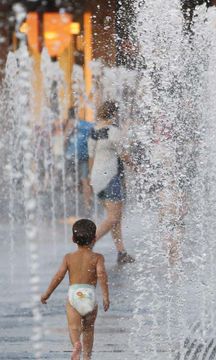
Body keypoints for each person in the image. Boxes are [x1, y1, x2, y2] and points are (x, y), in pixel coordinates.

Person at [40, 219, 110, 360]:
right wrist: (105, 296)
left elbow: (58, 277)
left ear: (73, 239)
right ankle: (87, 357)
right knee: (89, 328)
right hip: (90, 295)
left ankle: (76, 345)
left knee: (74, 327)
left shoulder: (68, 257)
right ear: (94, 239)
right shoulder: (97, 258)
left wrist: (46, 294)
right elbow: (102, 275)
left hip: (74, 296)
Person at [88, 101, 135, 264]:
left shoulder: (94, 131)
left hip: (97, 178)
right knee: (113, 217)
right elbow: (124, 155)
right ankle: (89, 244)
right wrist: (136, 167)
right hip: (110, 178)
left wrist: (90, 177)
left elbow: (91, 156)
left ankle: (121, 252)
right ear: (113, 114)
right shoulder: (114, 131)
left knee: (115, 216)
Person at [65, 108, 95, 214]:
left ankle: (72, 205)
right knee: (85, 180)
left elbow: (66, 137)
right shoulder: (87, 124)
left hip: (72, 155)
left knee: (70, 179)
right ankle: (88, 205)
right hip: (85, 154)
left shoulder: (71, 122)